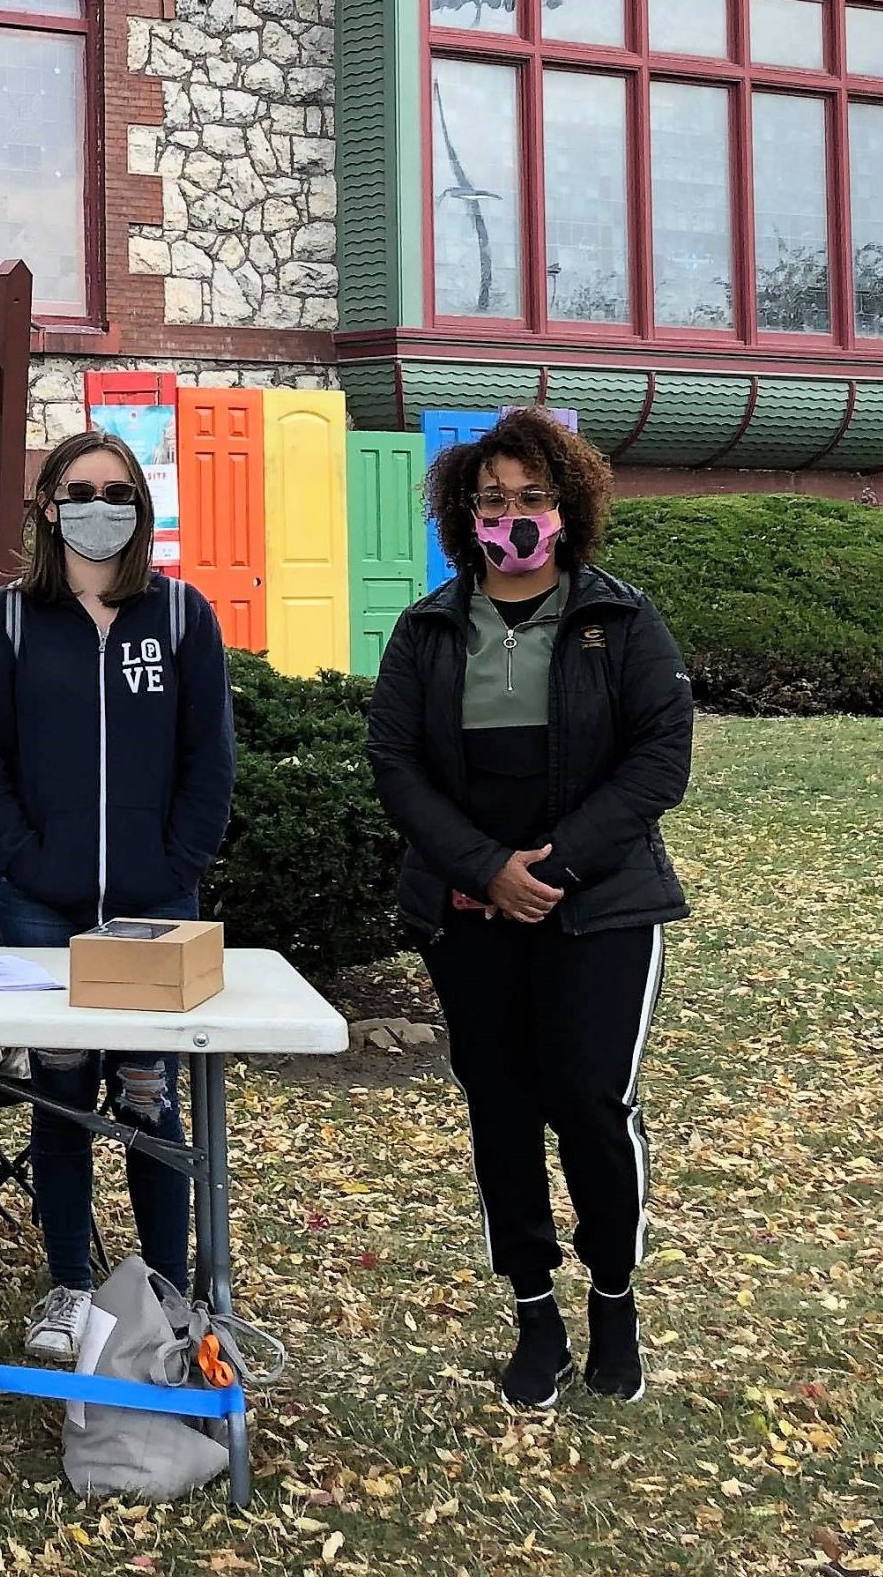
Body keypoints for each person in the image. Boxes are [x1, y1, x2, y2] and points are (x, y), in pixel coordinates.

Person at [365, 407, 692, 1411]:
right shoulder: (426, 629)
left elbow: (656, 762)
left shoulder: (621, 621)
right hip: (467, 911)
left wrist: (548, 867)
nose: (511, 515)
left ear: (567, 506)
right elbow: (396, 765)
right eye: (492, 498)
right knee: (500, 1112)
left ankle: (613, 1296)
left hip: (598, 909)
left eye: (531, 498)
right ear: (465, 512)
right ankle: (533, 1313)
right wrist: (485, 868)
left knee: (591, 1104)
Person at [0, 429, 235, 1366]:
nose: (100, 505)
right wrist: (28, 858)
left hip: (157, 907)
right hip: (40, 901)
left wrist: (175, 863)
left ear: (139, 508)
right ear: (48, 505)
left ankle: (162, 1293)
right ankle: (69, 1285)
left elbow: (210, 758)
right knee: (63, 1091)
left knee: (154, 1100)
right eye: (82, 489)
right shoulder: (9, 621)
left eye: (118, 491)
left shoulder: (184, 616)